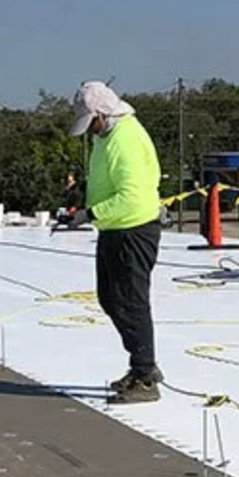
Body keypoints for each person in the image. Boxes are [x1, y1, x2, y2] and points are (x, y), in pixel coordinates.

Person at [69, 80, 163, 404]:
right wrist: (84, 193)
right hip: (113, 229)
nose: (90, 131)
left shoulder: (125, 138)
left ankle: (145, 375)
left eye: (91, 123)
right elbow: (106, 178)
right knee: (110, 298)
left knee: (132, 302)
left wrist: (90, 213)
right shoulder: (105, 136)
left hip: (133, 230)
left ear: (103, 113)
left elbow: (133, 198)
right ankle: (142, 366)